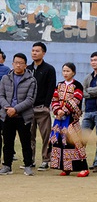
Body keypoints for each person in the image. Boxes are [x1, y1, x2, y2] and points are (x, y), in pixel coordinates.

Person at [49, 62, 89, 177]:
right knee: (60, 142)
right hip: (60, 120)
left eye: (68, 71)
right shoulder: (59, 85)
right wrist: (57, 110)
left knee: (75, 143)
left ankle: (84, 168)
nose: (65, 73)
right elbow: (55, 98)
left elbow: (76, 99)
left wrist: (64, 110)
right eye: (64, 71)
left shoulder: (77, 85)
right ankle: (66, 168)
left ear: (73, 72)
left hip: (71, 120)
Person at [0, 53, 37, 176]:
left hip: (23, 116)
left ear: (25, 65)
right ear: (12, 63)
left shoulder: (31, 80)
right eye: (16, 62)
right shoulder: (6, 78)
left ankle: (27, 165)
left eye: (21, 63)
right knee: (8, 142)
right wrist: (8, 108)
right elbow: (1, 96)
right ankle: (7, 165)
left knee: (25, 141)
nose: (18, 65)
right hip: (7, 115)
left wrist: (15, 109)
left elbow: (30, 99)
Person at [27, 42, 56, 171]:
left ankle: (46, 159)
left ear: (43, 53)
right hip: (27, 108)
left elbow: (51, 88)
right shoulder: (27, 69)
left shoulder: (49, 69)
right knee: (29, 135)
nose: (34, 53)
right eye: (33, 50)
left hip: (41, 108)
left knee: (46, 135)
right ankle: (30, 159)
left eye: (37, 51)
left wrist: (46, 105)